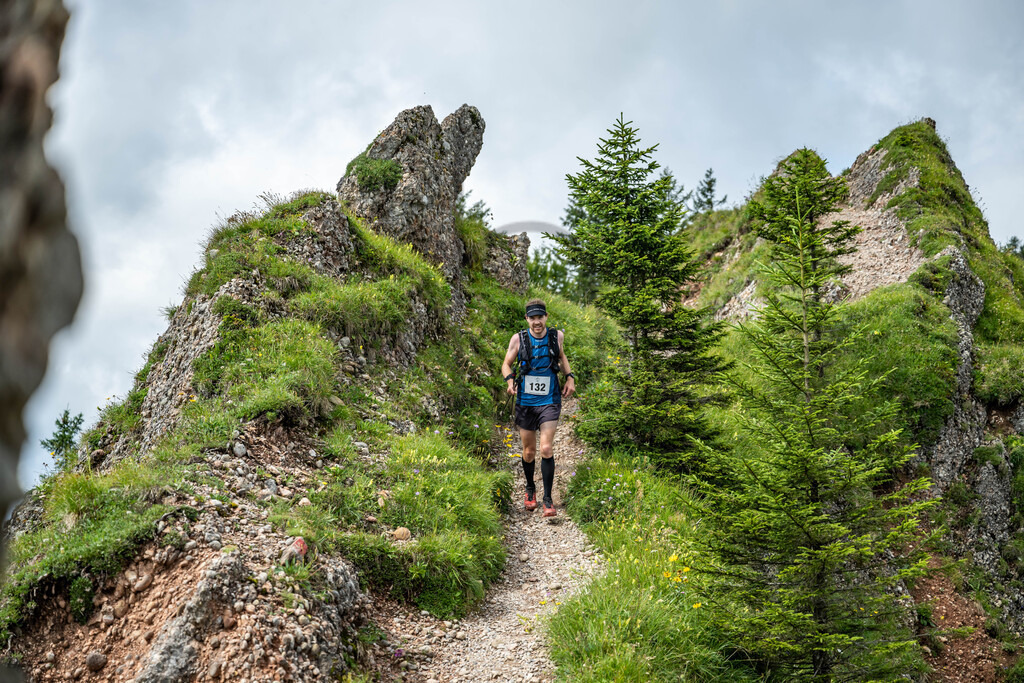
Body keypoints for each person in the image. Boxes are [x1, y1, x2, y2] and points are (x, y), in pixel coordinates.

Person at [501, 298, 575, 517]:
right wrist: (509, 380)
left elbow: (561, 357)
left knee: (545, 449)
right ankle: (530, 488)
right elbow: (506, 364)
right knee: (529, 451)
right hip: (526, 402)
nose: (536, 322)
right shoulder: (518, 339)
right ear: (527, 319)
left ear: (546, 317)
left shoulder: (556, 337)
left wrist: (569, 377)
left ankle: (548, 499)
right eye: (532, 318)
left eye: (540, 317)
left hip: (549, 401)